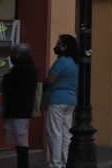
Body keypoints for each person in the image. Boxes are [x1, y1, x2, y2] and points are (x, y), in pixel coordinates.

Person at [45, 34, 79, 168]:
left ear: (66, 46)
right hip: (70, 100)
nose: (57, 46)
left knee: (55, 132)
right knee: (66, 134)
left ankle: (55, 164)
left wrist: (46, 82)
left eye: (60, 43)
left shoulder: (62, 61)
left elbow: (50, 80)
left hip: (57, 100)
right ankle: (65, 162)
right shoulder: (75, 63)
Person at [1, 43, 38, 168]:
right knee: (20, 138)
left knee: (21, 139)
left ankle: (23, 164)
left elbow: (9, 84)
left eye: (14, 54)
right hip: (24, 108)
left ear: (18, 55)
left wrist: (7, 76)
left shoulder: (19, 69)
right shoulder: (31, 68)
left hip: (18, 109)